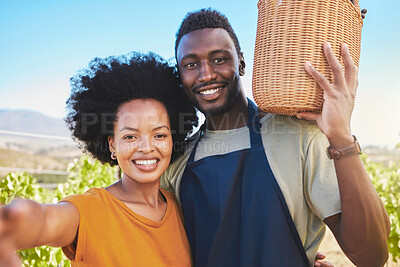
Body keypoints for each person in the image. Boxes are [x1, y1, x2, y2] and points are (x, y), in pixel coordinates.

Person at [161, 8, 390, 267]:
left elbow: (372, 256)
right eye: (190, 65)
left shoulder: (300, 136)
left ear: (242, 63)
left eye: (219, 59)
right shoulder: (175, 162)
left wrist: (341, 136)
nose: (206, 74)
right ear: (180, 76)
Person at [0, 52, 198, 266]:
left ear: (172, 139)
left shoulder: (179, 208)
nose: (146, 147)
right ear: (112, 145)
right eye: (130, 136)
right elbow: (46, 220)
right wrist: (18, 222)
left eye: (159, 135)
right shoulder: (91, 210)